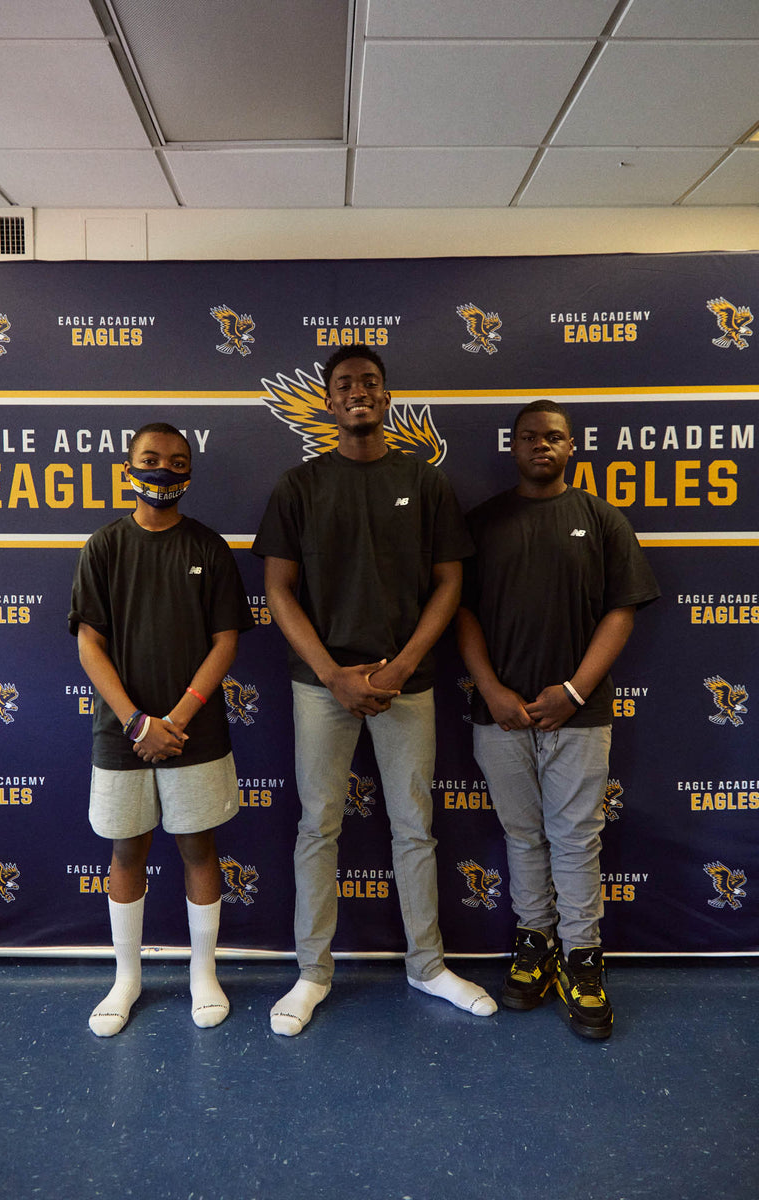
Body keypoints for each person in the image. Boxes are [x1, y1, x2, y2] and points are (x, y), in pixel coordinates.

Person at [253, 344, 496, 1035]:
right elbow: (278, 589)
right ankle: (312, 973)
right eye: (344, 384)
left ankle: (427, 966)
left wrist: (401, 666)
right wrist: (334, 674)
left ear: (386, 398)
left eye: (369, 382)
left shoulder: (424, 482)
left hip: (406, 683)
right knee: (317, 826)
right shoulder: (298, 486)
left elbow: (450, 583)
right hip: (320, 685)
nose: (357, 391)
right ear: (329, 403)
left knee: (415, 826)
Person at [455, 400, 659, 1040]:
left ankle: (582, 957)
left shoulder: (600, 518)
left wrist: (573, 690)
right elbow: (461, 612)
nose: (540, 445)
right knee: (522, 836)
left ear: (572, 447)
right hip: (502, 715)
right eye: (528, 437)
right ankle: (534, 942)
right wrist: (491, 690)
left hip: (580, 712)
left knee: (575, 839)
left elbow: (622, 611)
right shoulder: (482, 523)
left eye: (553, 437)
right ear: (512, 447)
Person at [68, 422, 254, 1036]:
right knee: (127, 850)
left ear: (190, 473)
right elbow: (89, 642)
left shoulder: (208, 547)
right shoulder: (104, 547)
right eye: (150, 459)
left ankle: (205, 972)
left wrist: (174, 720)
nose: (163, 471)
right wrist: (136, 721)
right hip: (121, 733)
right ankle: (127, 978)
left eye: (176, 461)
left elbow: (226, 642)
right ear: (127, 469)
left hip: (193, 733)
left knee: (198, 847)